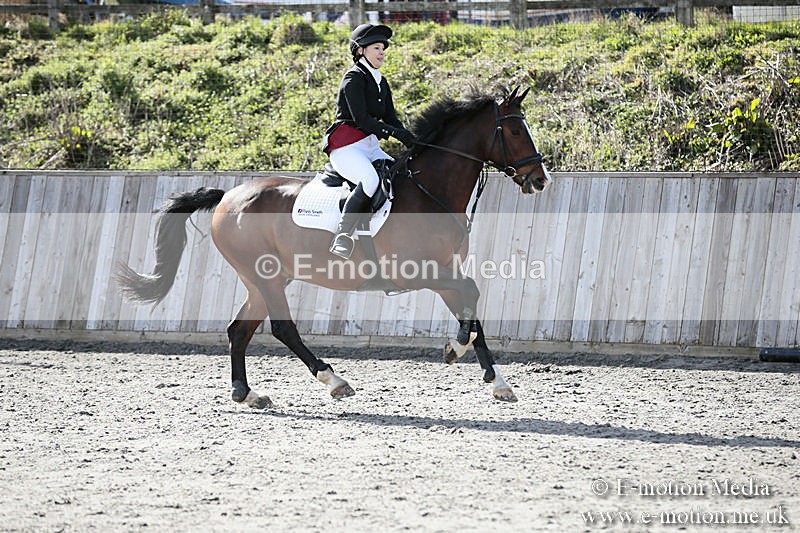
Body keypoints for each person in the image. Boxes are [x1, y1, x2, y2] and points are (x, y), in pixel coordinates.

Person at [322, 23, 417, 259]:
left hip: (369, 147)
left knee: (401, 174)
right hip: (346, 147)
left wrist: (412, 140)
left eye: (383, 48)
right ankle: (343, 235)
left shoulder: (380, 81)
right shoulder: (353, 79)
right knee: (370, 179)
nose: (382, 52)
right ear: (360, 50)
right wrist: (396, 134)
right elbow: (363, 120)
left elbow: (390, 118)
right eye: (376, 47)